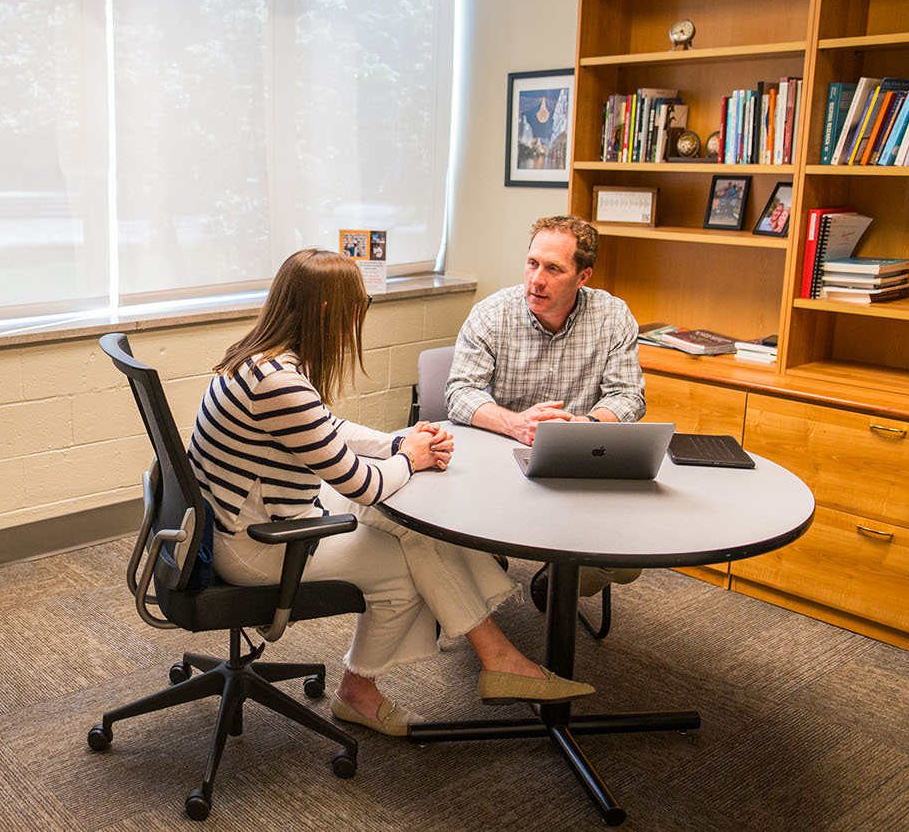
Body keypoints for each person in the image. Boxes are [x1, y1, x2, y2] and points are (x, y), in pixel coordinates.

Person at [187, 248, 593, 739]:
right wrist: (411, 459)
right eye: (359, 306)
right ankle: (359, 692)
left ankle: (498, 657)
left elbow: (324, 428)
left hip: (254, 517)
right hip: (258, 546)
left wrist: (396, 443)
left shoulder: (259, 361)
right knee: (405, 568)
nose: (360, 318)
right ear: (328, 309)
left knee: (413, 526)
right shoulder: (280, 384)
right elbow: (361, 484)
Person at [444, 215, 646, 596]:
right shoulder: (492, 314)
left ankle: (555, 586)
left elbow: (628, 396)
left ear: (583, 277)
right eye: (532, 263)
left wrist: (585, 425)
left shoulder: (613, 316)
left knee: (628, 560)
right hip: (501, 461)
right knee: (448, 536)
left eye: (553, 269)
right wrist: (515, 423)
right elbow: (459, 392)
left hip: (578, 464)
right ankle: (489, 565)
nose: (537, 279)